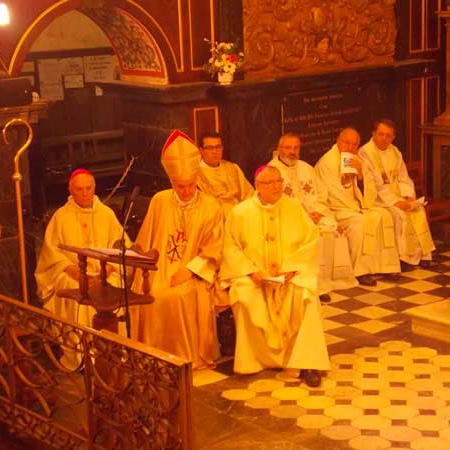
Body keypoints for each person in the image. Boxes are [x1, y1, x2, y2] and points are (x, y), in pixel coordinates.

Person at [220, 165, 329, 388]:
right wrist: (251, 272)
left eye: (279, 181)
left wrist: (292, 269)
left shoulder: (294, 208)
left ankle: (307, 363)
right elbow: (230, 248)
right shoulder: (240, 212)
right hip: (254, 276)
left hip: (288, 276)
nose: (277, 186)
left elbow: (311, 240)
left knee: (307, 296)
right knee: (243, 293)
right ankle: (255, 360)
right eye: (270, 182)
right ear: (258, 185)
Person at [131, 130, 225, 369]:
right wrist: (143, 265)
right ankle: (153, 354)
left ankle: (187, 356)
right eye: (180, 186)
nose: (186, 191)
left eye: (190, 185)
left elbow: (215, 248)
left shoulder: (211, 206)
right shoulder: (160, 200)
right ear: (172, 183)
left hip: (194, 270)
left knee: (179, 295)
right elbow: (145, 239)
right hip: (158, 268)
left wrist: (190, 271)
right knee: (152, 293)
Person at [35, 169, 130, 367]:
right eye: (79, 189)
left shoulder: (106, 214)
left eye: (88, 188)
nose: (85, 193)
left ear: (94, 188)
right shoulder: (61, 217)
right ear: (70, 190)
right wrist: (75, 272)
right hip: (74, 274)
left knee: (114, 287)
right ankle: (82, 356)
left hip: (105, 273)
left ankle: (112, 353)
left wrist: (107, 270)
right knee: (74, 291)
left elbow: (121, 247)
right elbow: (52, 254)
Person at [268, 133, 357, 293]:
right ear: (279, 149)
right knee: (315, 235)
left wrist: (319, 212)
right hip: (290, 221)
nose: (292, 152)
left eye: (296, 148)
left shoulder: (306, 168)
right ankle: (313, 284)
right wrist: (304, 216)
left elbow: (321, 194)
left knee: (331, 228)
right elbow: (272, 202)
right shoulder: (271, 171)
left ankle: (330, 281)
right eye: (288, 148)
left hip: (315, 215)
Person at [315, 127, 401, 286]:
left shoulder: (357, 160)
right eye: (346, 143)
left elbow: (370, 190)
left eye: (354, 144)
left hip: (356, 206)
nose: (350, 147)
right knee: (360, 222)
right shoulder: (327, 162)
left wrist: (360, 175)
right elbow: (332, 193)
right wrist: (356, 209)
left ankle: (385, 266)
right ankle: (360, 271)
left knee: (385, 215)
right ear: (338, 141)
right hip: (336, 209)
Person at [359, 119, 435, 270]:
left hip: (398, 195)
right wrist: (395, 202)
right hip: (379, 199)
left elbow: (403, 177)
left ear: (393, 137)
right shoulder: (365, 153)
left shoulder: (395, 151)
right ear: (373, 134)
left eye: (388, 136)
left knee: (417, 210)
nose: (384, 139)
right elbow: (375, 185)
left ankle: (422, 254)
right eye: (381, 134)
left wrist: (409, 196)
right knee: (400, 215)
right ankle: (403, 258)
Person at [196, 131, 254, 216]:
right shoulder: (195, 174)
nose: (215, 151)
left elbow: (249, 194)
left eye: (218, 147)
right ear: (201, 150)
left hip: (239, 215)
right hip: (214, 217)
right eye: (209, 148)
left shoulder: (233, 168)